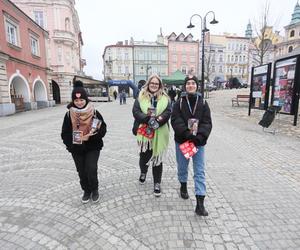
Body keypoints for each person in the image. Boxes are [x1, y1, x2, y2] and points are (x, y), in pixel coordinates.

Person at [171, 75, 212, 216]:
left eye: (193, 83)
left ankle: (200, 204)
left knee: (199, 171)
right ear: (185, 86)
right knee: (182, 167)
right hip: (183, 141)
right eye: (188, 83)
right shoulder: (179, 102)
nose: (190, 85)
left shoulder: (204, 102)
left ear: (197, 86)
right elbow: (175, 120)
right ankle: (183, 185)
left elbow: (207, 122)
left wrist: (200, 136)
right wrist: (187, 134)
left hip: (198, 143)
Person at [61, 80, 107, 204]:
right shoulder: (68, 115)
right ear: (73, 101)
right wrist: (72, 144)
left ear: (86, 99)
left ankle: (94, 189)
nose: (79, 102)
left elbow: (103, 129)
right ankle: (86, 190)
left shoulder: (94, 112)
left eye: (81, 100)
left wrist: (91, 136)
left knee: (91, 168)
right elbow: (64, 134)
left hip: (92, 146)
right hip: (76, 148)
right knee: (81, 171)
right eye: (76, 101)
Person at [132, 74, 171, 197]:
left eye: (156, 83)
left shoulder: (165, 98)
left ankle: (157, 183)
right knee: (144, 156)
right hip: (144, 131)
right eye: (152, 83)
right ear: (148, 84)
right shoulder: (141, 96)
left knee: (157, 157)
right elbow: (136, 111)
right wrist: (148, 119)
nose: (154, 85)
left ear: (160, 85)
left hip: (160, 130)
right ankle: (143, 172)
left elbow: (168, 112)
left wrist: (158, 121)